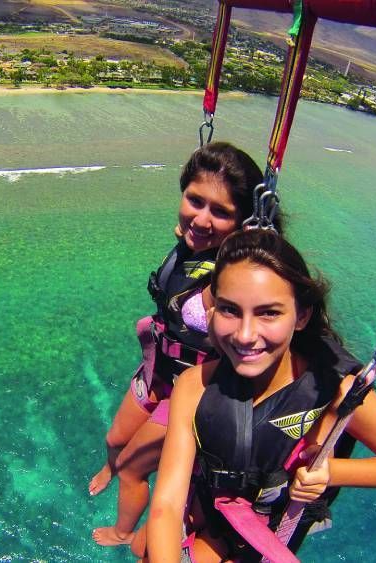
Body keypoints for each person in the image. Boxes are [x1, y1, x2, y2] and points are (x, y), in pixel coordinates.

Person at [147, 229, 376, 562]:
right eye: (229, 310)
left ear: (302, 316)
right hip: (215, 524)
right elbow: (166, 506)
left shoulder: (335, 390)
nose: (245, 334)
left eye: (269, 313)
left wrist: (331, 473)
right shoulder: (194, 387)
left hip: (266, 540)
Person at [90, 142, 285, 546]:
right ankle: (113, 467)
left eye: (220, 212)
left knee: (132, 468)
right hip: (159, 368)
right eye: (195, 201)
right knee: (114, 442)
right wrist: (194, 231)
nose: (202, 219)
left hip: (191, 394)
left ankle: (124, 531)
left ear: (242, 223)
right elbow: (191, 236)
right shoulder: (191, 241)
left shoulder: (231, 273)